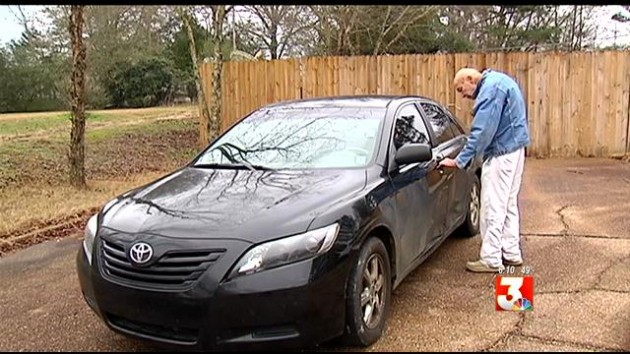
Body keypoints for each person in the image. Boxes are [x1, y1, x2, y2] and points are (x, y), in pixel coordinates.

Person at [439, 67, 531, 273]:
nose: (463, 96)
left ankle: (491, 258)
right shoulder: (501, 81)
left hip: (501, 154)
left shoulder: (491, 89)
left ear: (471, 79)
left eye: (462, 89)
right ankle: (511, 252)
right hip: (515, 150)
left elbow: (482, 132)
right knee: (508, 203)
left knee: (492, 206)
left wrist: (459, 161)